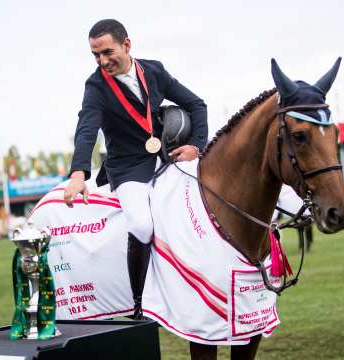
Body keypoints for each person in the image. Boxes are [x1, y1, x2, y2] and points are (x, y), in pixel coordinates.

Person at [64, 19, 208, 319]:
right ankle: (139, 303)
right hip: (126, 167)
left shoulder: (154, 70)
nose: (102, 61)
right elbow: (86, 128)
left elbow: (197, 104)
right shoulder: (96, 86)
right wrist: (78, 173)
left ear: (127, 45)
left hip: (167, 160)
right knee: (142, 225)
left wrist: (196, 146)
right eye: (95, 55)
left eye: (107, 52)